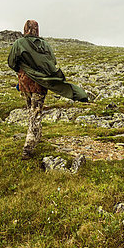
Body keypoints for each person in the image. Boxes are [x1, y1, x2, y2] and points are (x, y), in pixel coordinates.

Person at [8, 20, 88, 156]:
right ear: (37, 29)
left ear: (25, 29)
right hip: (41, 84)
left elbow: (11, 62)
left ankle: (32, 140)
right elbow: (52, 62)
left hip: (25, 83)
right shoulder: (45, 45)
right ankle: (29, 146)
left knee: (31, 111)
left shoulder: (19, 43)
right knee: (36, 113)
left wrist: (22, 70)